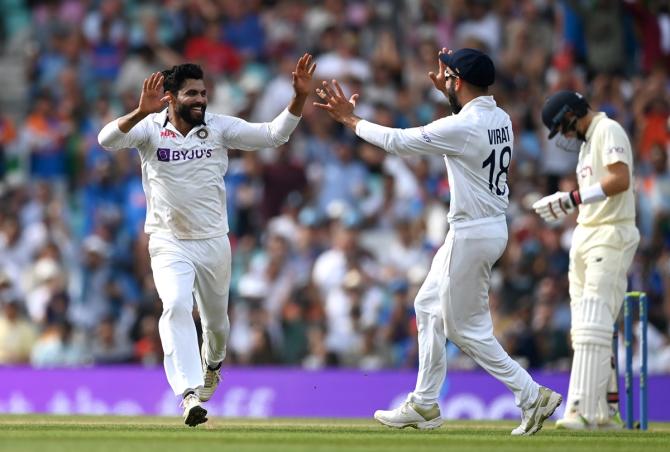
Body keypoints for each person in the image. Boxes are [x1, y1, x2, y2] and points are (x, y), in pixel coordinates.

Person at [314, 47, 562, 436]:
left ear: (459, 82)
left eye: (450, 78)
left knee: (463, 329)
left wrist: (350, 119)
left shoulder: (463, 126)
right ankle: (425, 403)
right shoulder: (500, 117)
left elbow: (399, 142)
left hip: (471, 232)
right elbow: (463, 133)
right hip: (486, 228)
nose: (444, 81)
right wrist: (448, 95)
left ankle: (531, 395)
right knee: (426, 305)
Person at [98, 54, 316, 426]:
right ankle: (188, 394)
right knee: (176, 305)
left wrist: (298, 98)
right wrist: (137, 112)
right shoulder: (149, 128)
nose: (201, 99)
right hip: (168, 241)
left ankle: (212, 365)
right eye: (192, 94)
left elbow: (274, 135)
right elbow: (106, 140)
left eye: (203, 93)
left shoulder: (217, 127)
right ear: (171, 98)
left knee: (217, 325)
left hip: (214, 241)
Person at [532, 91, 640, 429]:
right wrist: (570, 205)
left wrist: (571, 198)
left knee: (594, 320)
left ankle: (578, 410)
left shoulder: (608, 130)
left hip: (610, 234)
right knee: (585, 329)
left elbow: (620, 179)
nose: (563, 135)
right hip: (586, 234)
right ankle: (604, 415)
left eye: (562, 126)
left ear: (572, 112)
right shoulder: (585, 146)